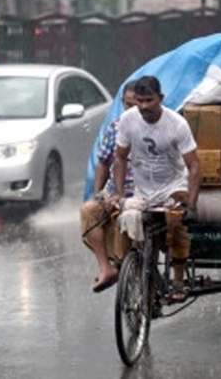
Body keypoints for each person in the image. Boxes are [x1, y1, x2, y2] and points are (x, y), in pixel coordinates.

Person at [110, 76, 201, 302]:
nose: (144, 106)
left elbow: (194, 165)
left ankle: (178, 280)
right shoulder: (127, 120)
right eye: (139, 101)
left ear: (160, 98)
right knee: (127, 220)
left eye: (149, 100)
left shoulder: (177, 124)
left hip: (173, 186)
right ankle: (131, 269)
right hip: (144, 189)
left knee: (176, 222)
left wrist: (192, 202)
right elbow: (120, 158)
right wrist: (120, 194)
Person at [80, 80, 137, 293]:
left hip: (144, 194)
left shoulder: (155, 126)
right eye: (127, 105)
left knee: (131, 220)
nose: (131, 110)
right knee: (89, 211)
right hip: (116, 192)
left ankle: (138, 272)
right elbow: (104, 161)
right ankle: (106, 268)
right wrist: (97, 194)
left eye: (136, 105)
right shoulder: (115, 127)